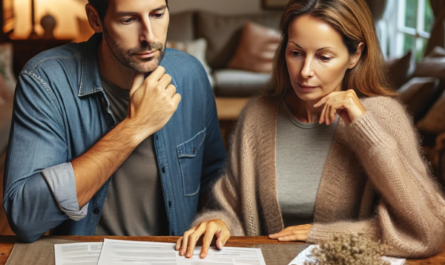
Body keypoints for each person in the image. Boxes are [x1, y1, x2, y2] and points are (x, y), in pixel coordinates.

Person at [176, 0, 445, 259]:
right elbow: (231, 207)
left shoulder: (383, 117)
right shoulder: (257, 115)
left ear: (355, 55)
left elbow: (430, 229)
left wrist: (364, 129)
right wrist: (217, 222)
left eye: (324, 57)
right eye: (296, 53)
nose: (305, 71)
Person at [3, 0, 225, 243]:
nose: (149, 36)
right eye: (128, 20)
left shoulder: (191, 73)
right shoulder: (45, 81)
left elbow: (214, 176)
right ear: (96, 19)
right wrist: (134, 127)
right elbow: (25, 217)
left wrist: (218, 217)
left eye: (157, 14)